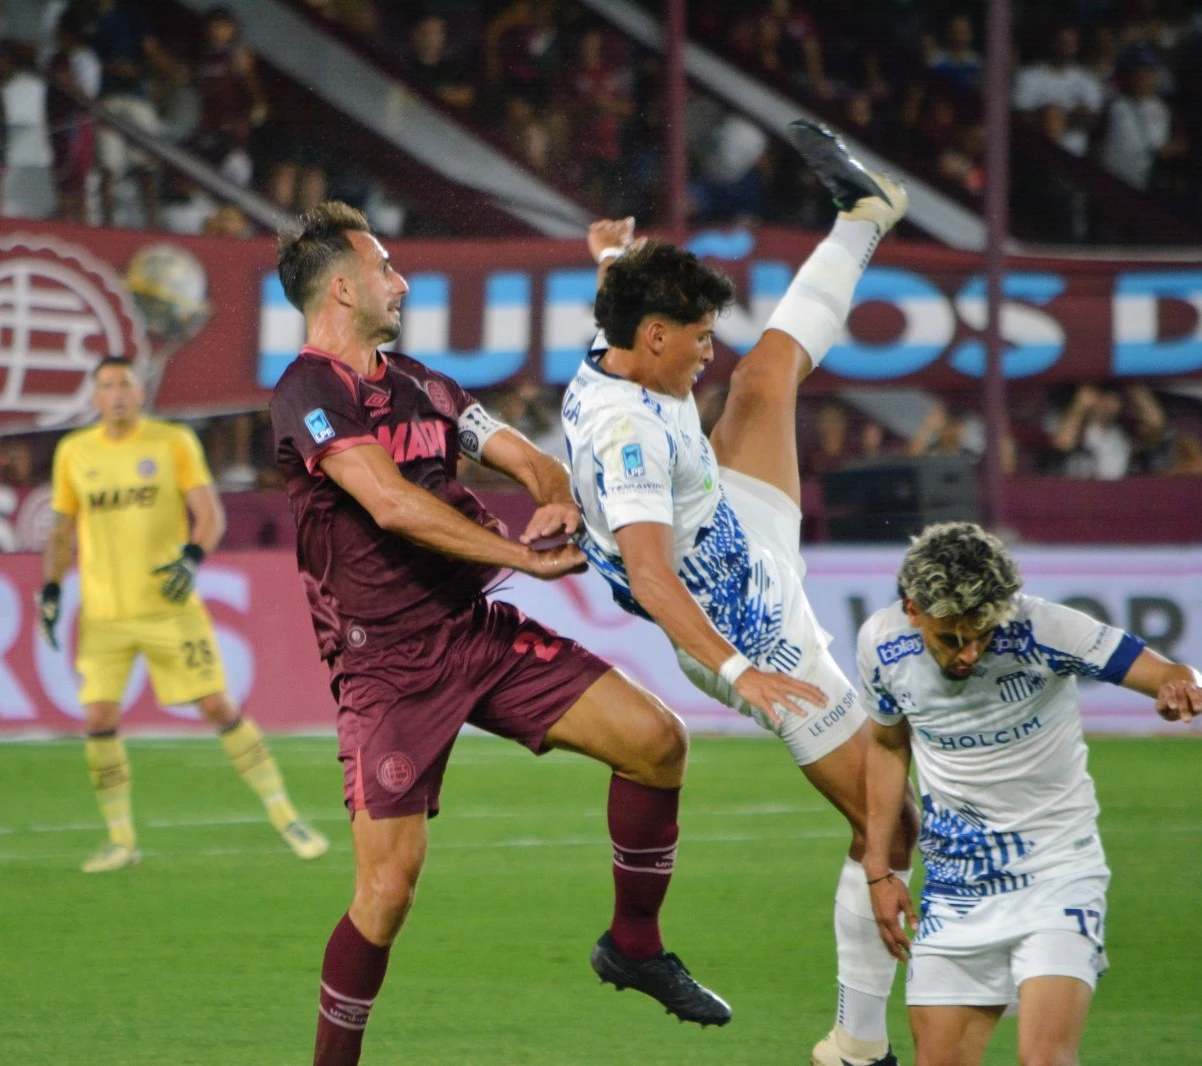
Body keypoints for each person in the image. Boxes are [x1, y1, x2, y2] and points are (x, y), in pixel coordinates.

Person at [268, 201, 730, 1066]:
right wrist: (521, 552)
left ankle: (634, 945)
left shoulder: (426, 385)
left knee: (657, 742)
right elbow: (391, 504)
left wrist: (554, 499)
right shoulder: (308, 392)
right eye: (384, 267)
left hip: (476, 633)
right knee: (387, 892)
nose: (401, 282)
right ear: (342, 288)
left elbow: (528, 457)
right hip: (387, 668)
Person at [562, 123, 919, 1066]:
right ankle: (859, 1045)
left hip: (734, 521)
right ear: (653, 337)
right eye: (696, 340)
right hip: (753, 631)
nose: (705, 354)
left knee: (765, 376)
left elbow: (623, 300)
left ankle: (864, 216)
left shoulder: (619, 339)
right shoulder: (630, 439)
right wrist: (737, 672)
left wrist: (614, 257)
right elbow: (650, 575)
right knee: (892, 824)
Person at [858, 521, 1200, 1066]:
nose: (969, 654)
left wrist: (1179, 689)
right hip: (954, 888)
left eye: (983, 635)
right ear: (913, 611)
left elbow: (1171, 672)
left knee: (1044, 1058)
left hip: (1057, 874)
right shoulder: (881, 644)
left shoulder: (1047, 628)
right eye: (951, 639)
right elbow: (886, 746)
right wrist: (879, 869)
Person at [38, 356, 328, 873]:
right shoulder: (75, 452)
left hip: (169, 609)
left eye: (125, 384)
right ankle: (121, 840)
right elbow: (62, 529)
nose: (117, 394)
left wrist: (192, 557)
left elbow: (210, 515)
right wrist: (52, 587)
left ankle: (287, 818)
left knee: (218, 707)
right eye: (107, 386)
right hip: (104, 615)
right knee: (97, 718)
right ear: (95, 397)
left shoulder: (171, 442)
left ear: (139, 392)